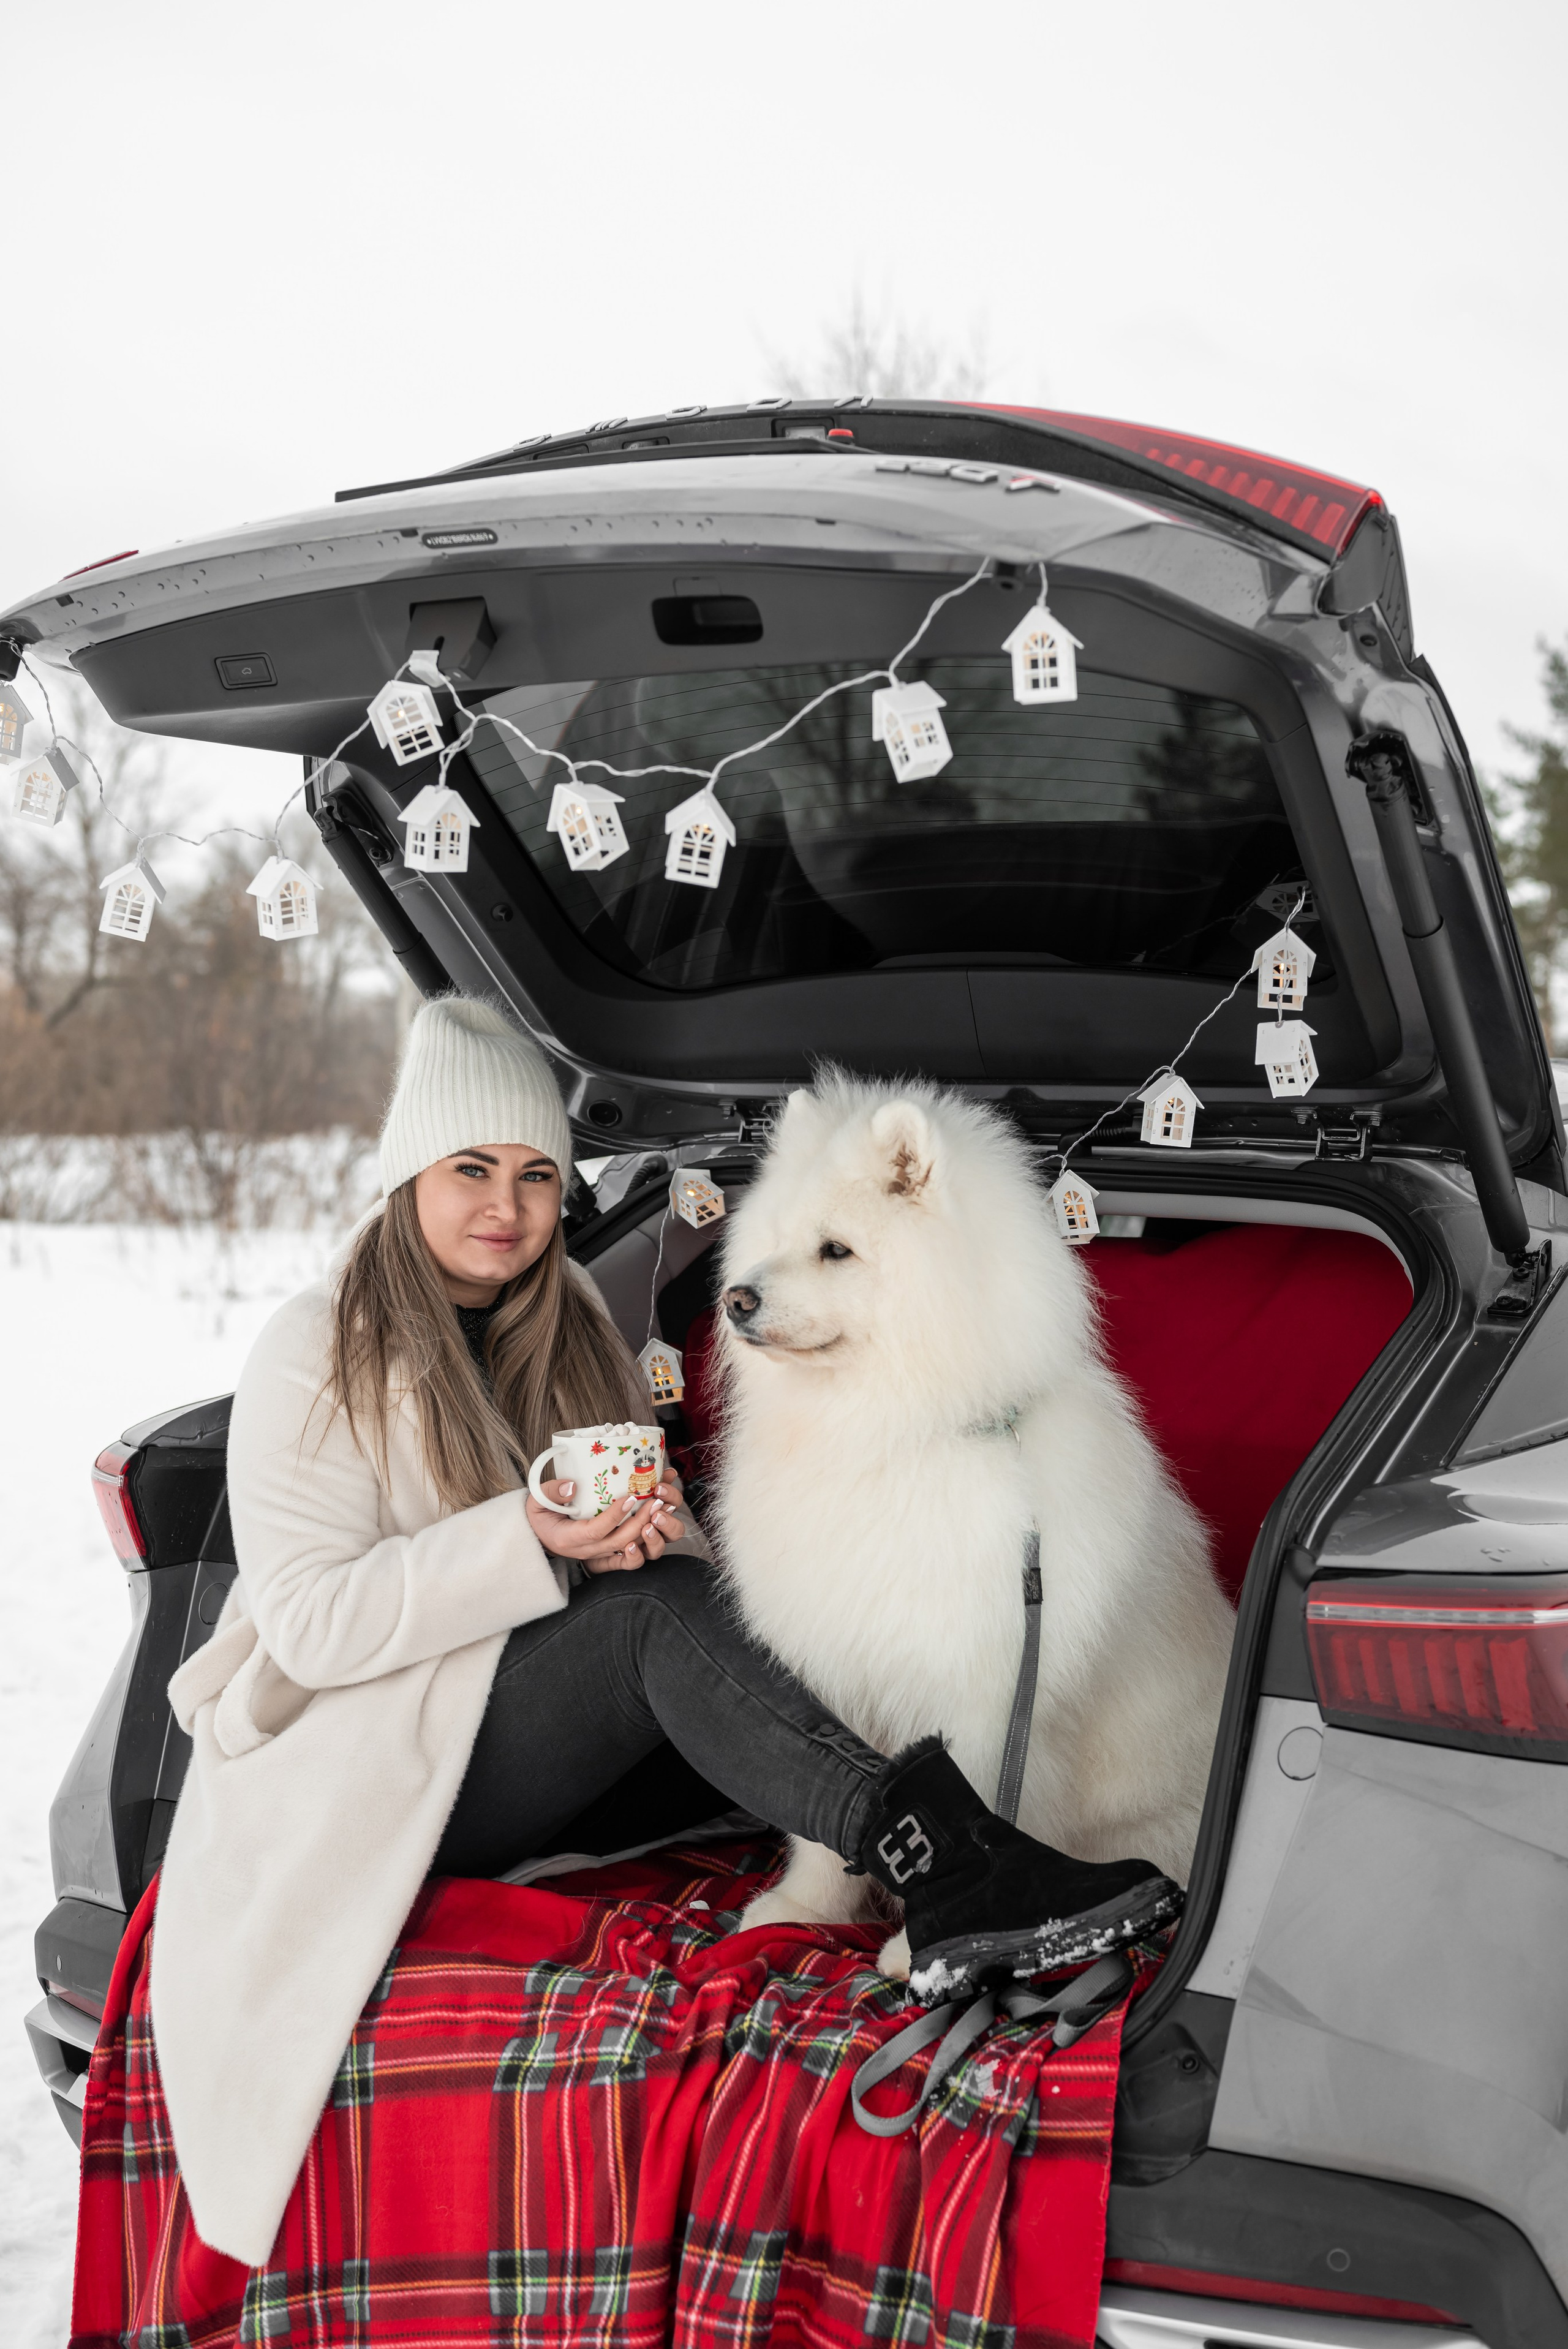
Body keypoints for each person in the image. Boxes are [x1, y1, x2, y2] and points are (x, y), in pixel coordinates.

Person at [151, 997, 1176, 2267]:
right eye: (470, 1168)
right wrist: (535, 1544)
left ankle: (936, 1849)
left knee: (673, 1610)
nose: (506, 1207)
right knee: (649, 1626)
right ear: (408, 1169)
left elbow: (663, 1579)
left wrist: (652, 1538)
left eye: (534, 1174)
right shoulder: (316, 1343)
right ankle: (945, 1859)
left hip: (516, 1724)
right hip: (364, 1771)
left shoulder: (567, 1310)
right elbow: (307, 1624)